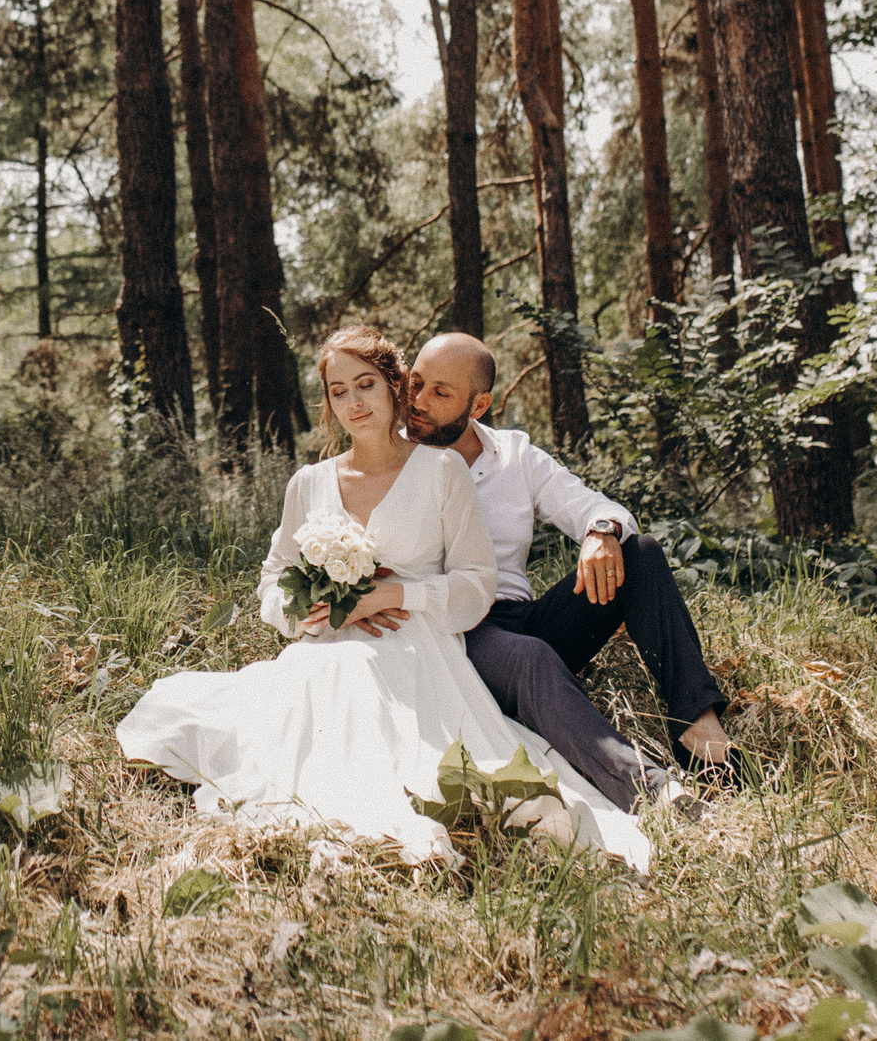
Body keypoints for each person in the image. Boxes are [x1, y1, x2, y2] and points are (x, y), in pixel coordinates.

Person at [115, 327, 651, 868]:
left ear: (396, 387)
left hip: (417, 644)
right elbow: (273, 579)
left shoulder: (442, 471)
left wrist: (392, 596)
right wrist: (301, 611)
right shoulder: (309, 482)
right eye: (338, 391)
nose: (353, 402)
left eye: (366, 384)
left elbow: (475, 586)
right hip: (325, 645)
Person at [358, 331, 733, 816]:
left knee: (639, 551)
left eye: (441, 392)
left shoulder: (513, 455)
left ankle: (698, 726)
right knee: (531, 657)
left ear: (480, 404)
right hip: (457, 632)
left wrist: (600, 532)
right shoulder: (393, 457)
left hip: (524, 616)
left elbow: (593, 506)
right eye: (416, 383)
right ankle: (652, 793)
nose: (418, 402)